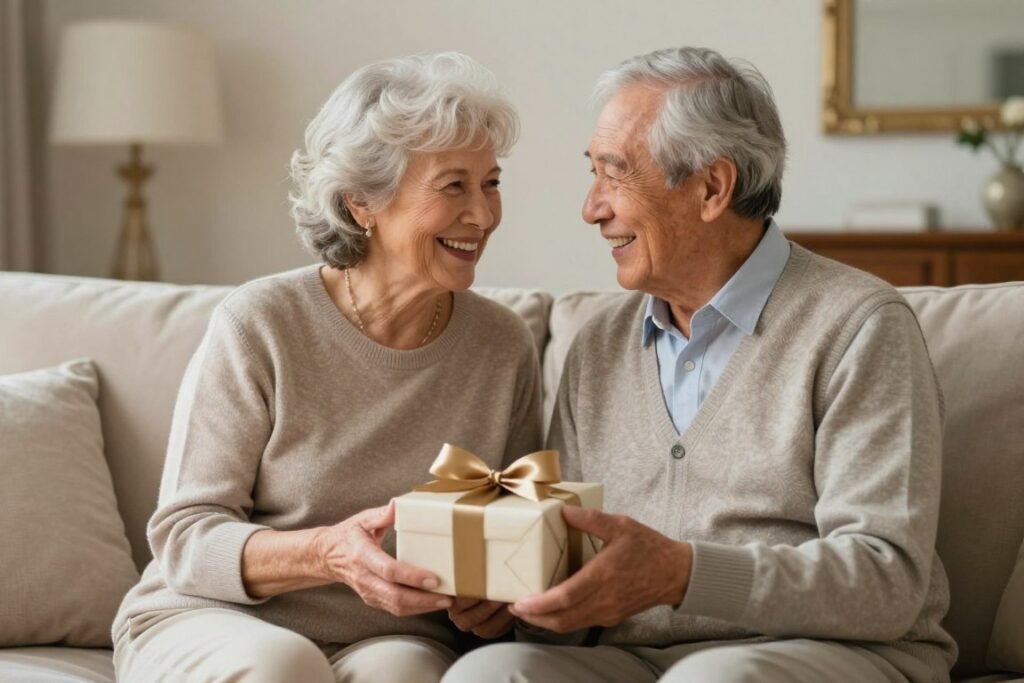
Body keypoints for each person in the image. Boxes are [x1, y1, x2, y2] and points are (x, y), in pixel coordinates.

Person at [443, 46, 956, 683]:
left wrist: (684, 575)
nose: (591, 207)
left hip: (835, 651)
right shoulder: (599, 344)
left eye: (615, 174)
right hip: (633, 658)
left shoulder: (858, 327)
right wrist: (517, 598)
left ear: (712, 188)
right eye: (592, 173)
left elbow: (887, 580)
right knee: (489, 674)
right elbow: (574, 567)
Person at [112, 52, 542, 683]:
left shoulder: (502, 346)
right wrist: (327, 553)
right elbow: (185, 537)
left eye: (491, 183)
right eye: (454, 186)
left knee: (407, 675)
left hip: (392, 636)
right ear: (362, 202)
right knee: (284, 664)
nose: (482, 214)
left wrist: (497, 601)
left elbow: (512, 539)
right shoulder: (262, 321)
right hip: (213, 617)